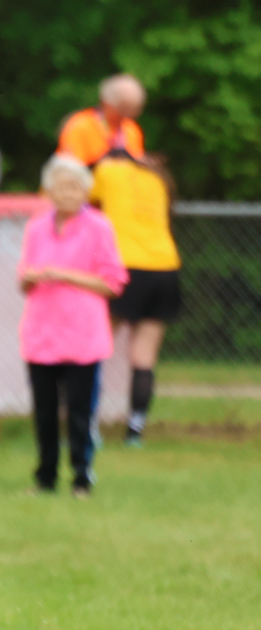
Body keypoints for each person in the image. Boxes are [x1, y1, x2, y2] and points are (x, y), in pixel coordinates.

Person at [18, 155, 126, 496]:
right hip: (42, 331)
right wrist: (31, 277)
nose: (68, 193)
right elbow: (24, 280)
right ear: (48, 190)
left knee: (80, 411)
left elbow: (112, 282)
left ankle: (82, 476)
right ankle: (45, 476)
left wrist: (65, 275)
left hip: (82, 333)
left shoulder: (99, 227)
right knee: (44, 411)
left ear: (86, 191)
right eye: (61, 186)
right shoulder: (36, 227)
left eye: (75, 186)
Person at [92, 145, 181, 445]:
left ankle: (89, 425)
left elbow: (85, 202)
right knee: (144, 356)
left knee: (96, 349)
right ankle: (135, 431)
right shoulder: (157, 177)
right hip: (165, 267)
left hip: (125, 265)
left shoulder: (108, 170)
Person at [57, 73, 147, 167]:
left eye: (131, 112)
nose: (126, 116)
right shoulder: (80, 126)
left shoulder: (132, 130)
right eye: (122, 110)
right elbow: (70, 170)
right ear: (106, 103)